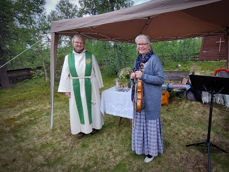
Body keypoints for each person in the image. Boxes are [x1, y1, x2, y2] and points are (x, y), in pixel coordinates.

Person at [58, 34, 104, 139]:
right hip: (75, 86)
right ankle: (80, 129)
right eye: (77, 42)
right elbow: (65, 74)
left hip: (90, 84)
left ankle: (93, 127)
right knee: (77, 107)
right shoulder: (68, 57)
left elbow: (96, 70)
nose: (79, 44)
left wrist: (98, 85)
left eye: (81, 42)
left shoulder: (90, 56)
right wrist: (66, 89)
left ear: (84, 44)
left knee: (92, 106)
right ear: (73, 43)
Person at [130, 34, 164, 163]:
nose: (141, 46)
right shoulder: (138, 60)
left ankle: (151, 152)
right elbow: (135, 77)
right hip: (139, 98)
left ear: (149, 45)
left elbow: (160, 79)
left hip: (151, 99)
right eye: (138, 44)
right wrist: (132, 76)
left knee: (150, 124)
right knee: (140, 123)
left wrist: (143, 76)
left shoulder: (154, 59)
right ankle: (141, 148)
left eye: (143, 44)